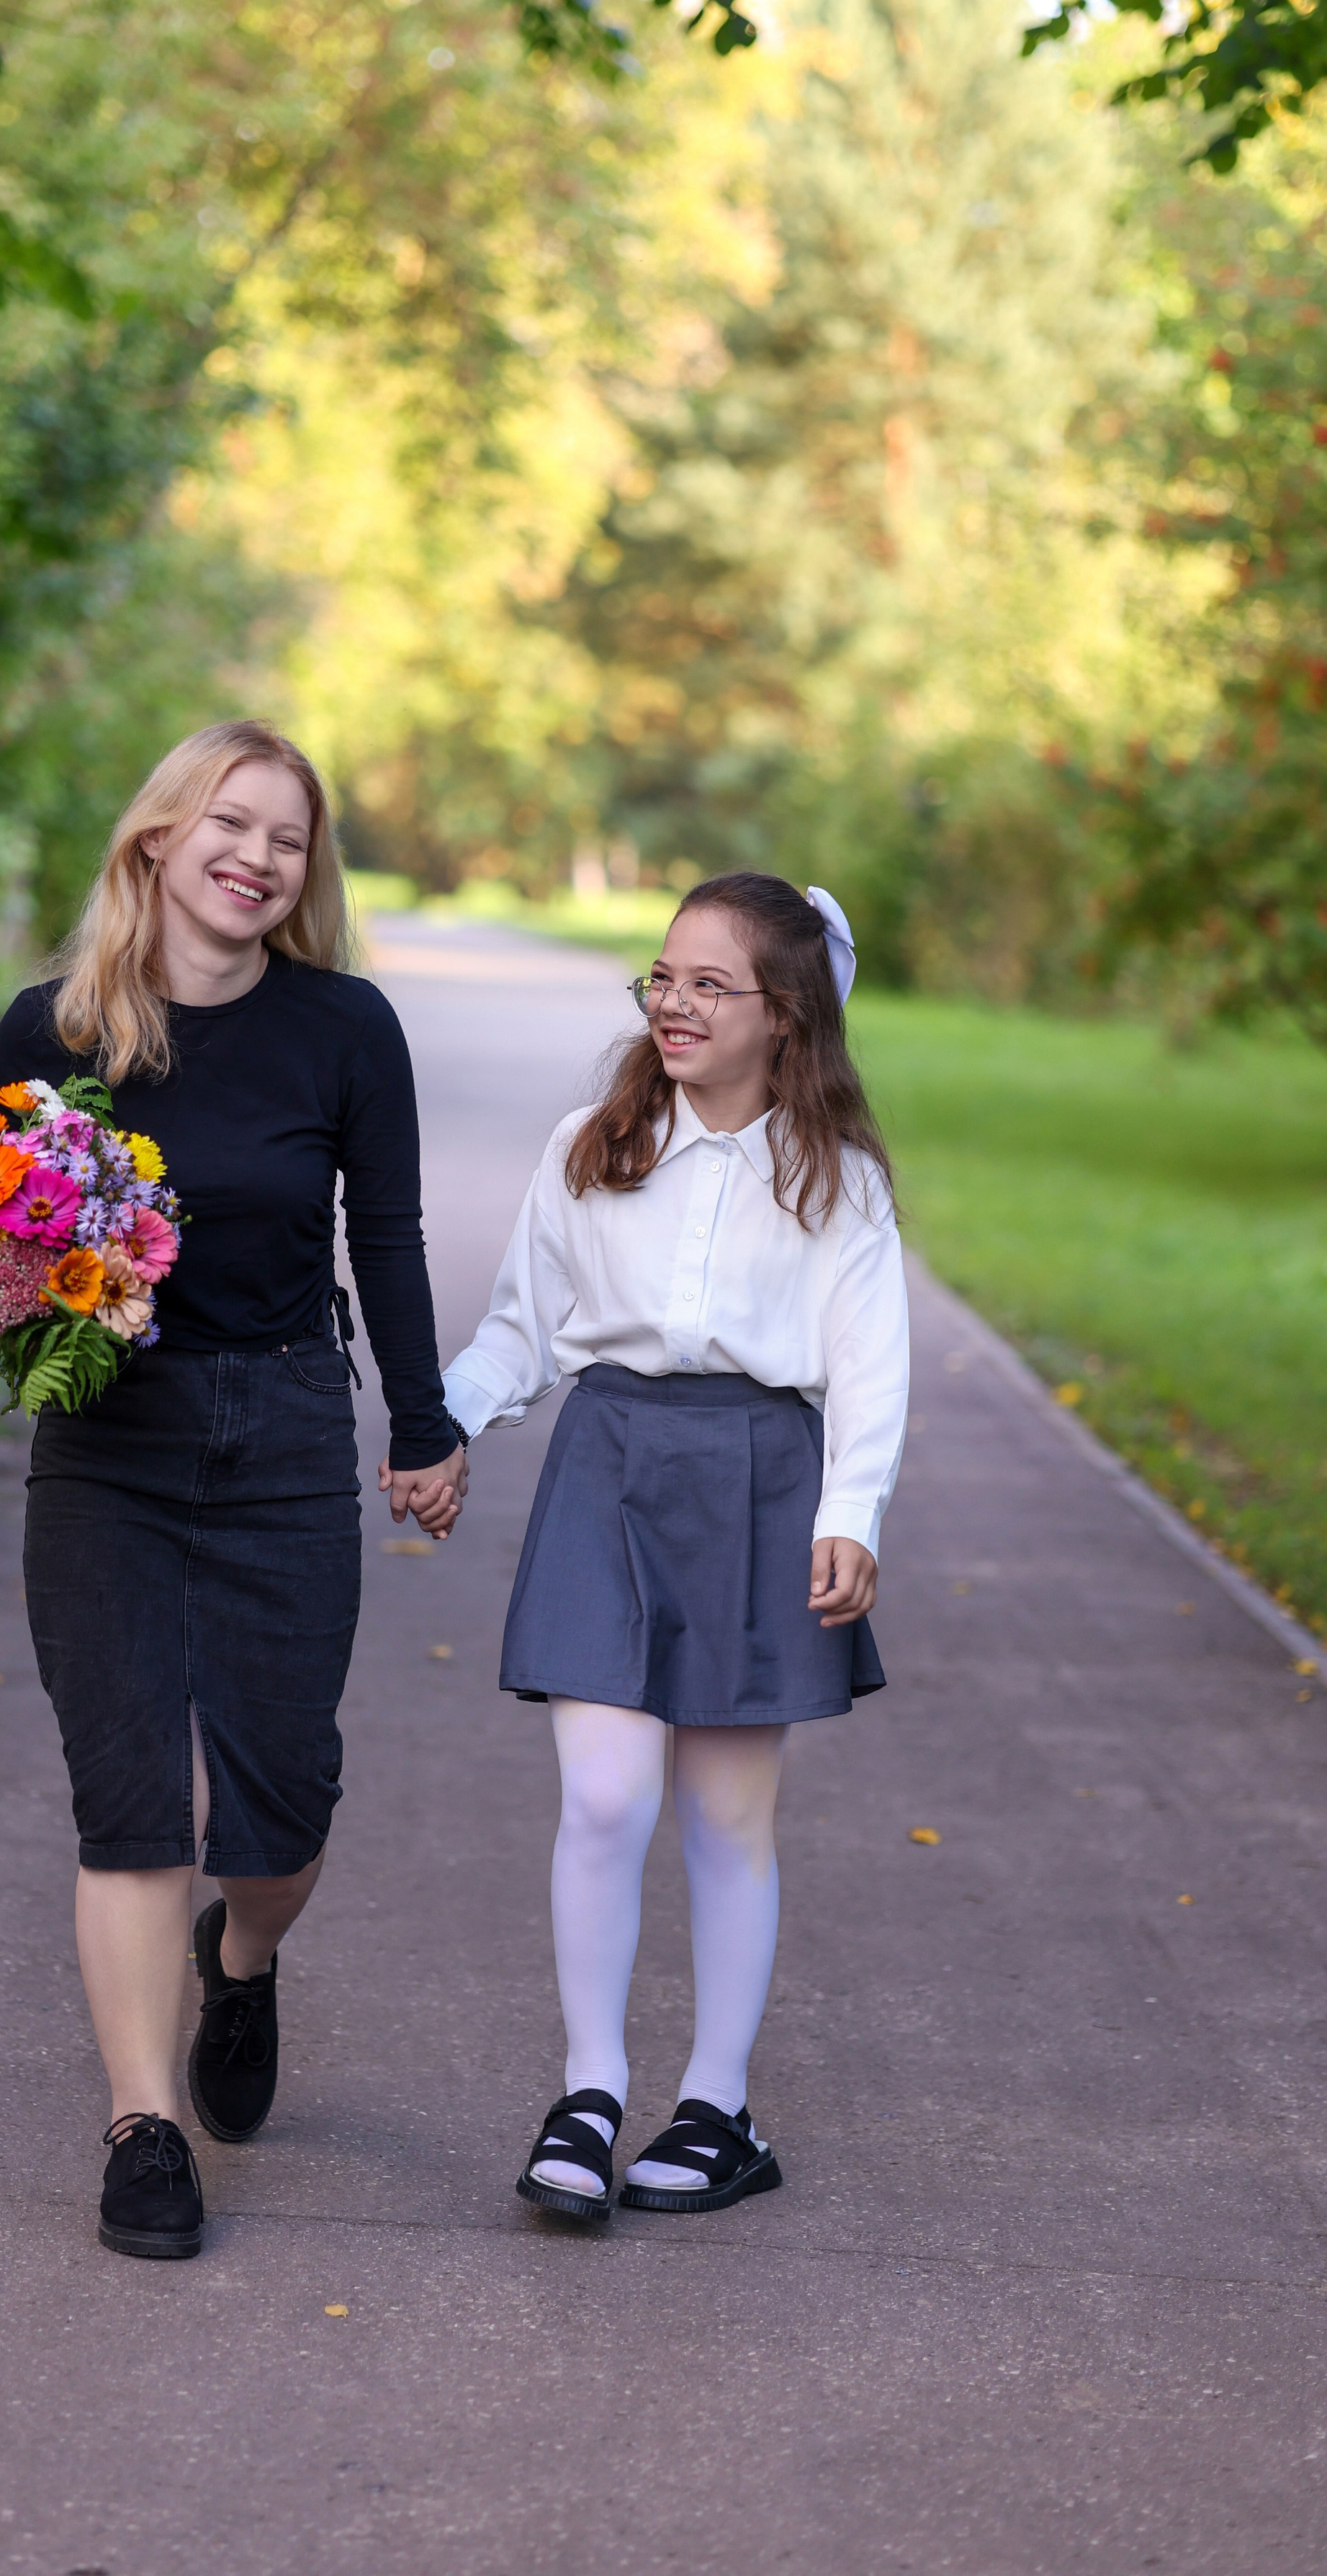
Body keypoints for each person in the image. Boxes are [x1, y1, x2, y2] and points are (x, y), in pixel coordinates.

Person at [0, 720, 467, 2260]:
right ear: (156, 838)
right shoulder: (45, 1034)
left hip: (277, 1434)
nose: (257, 859)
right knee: (131, 1803)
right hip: (108, 1448)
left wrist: (421, 1419)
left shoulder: (343, 1030)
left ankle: (241, 1960)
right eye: (229, 825)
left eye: (287, 840)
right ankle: (144, 2130)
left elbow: (380, 1238)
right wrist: (8, 1311)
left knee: (275, 1810)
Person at [441, 871, 907, 2224]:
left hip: (763, 1485)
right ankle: (589, 2094)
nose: (676, 1005)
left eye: (713, 985)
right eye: (662, 977)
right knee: (602, 1797)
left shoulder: (836, 1177)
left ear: (789, 1014)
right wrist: (447, 1422)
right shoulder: (596, 1139)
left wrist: (850, 1516)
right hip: (612, 1470)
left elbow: (868, 1370)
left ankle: (717, 2106)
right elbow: (525, 1324)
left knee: (724, 1814)